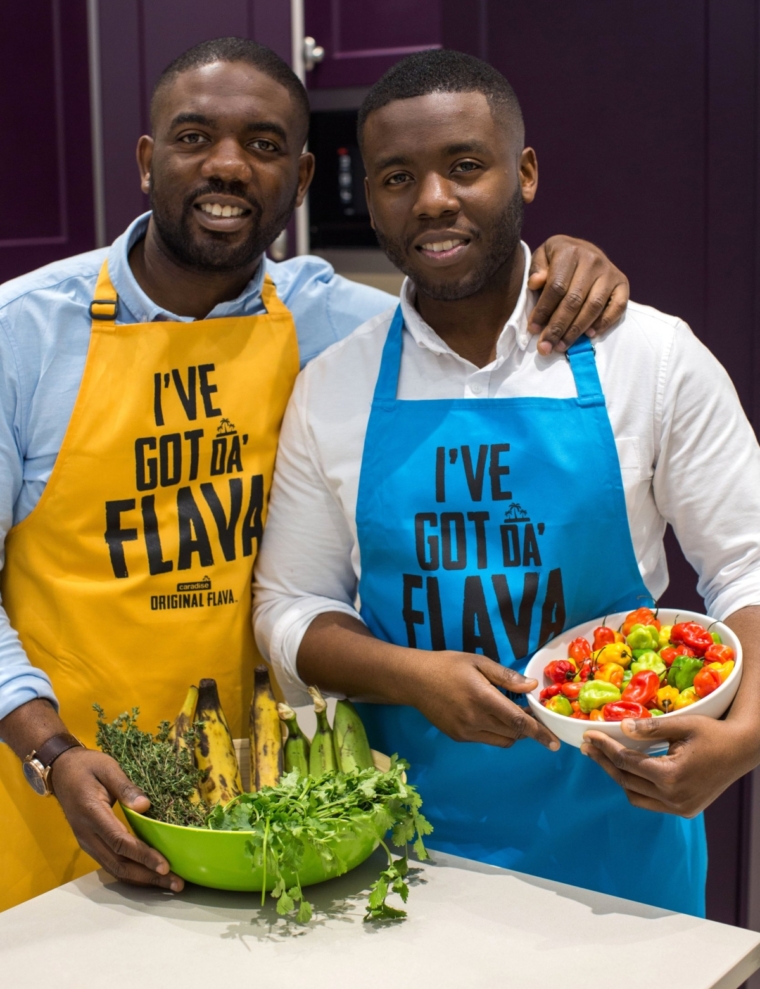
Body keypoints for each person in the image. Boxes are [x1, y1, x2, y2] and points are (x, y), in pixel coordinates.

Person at [0, 37, 626, 913]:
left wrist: (565, 265)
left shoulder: (336, 322)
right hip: (58, 790)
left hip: (267, 799)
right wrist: (49, 750)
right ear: (147, 162)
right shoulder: (23, 334)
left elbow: (470, 297)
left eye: (262, 146)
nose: (227, 166)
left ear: (298, 183)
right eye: (193, 138)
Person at [252, 49, 760, 917]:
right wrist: (410, 675)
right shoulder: (334, 385)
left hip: (621, 851)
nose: (433, 200)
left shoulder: (653, 356)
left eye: (465, 166)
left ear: (523, 172)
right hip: (397, 861)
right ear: (369, 196)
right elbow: (288, 605)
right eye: (397, 177)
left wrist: (743, 739)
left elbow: (748, 565)